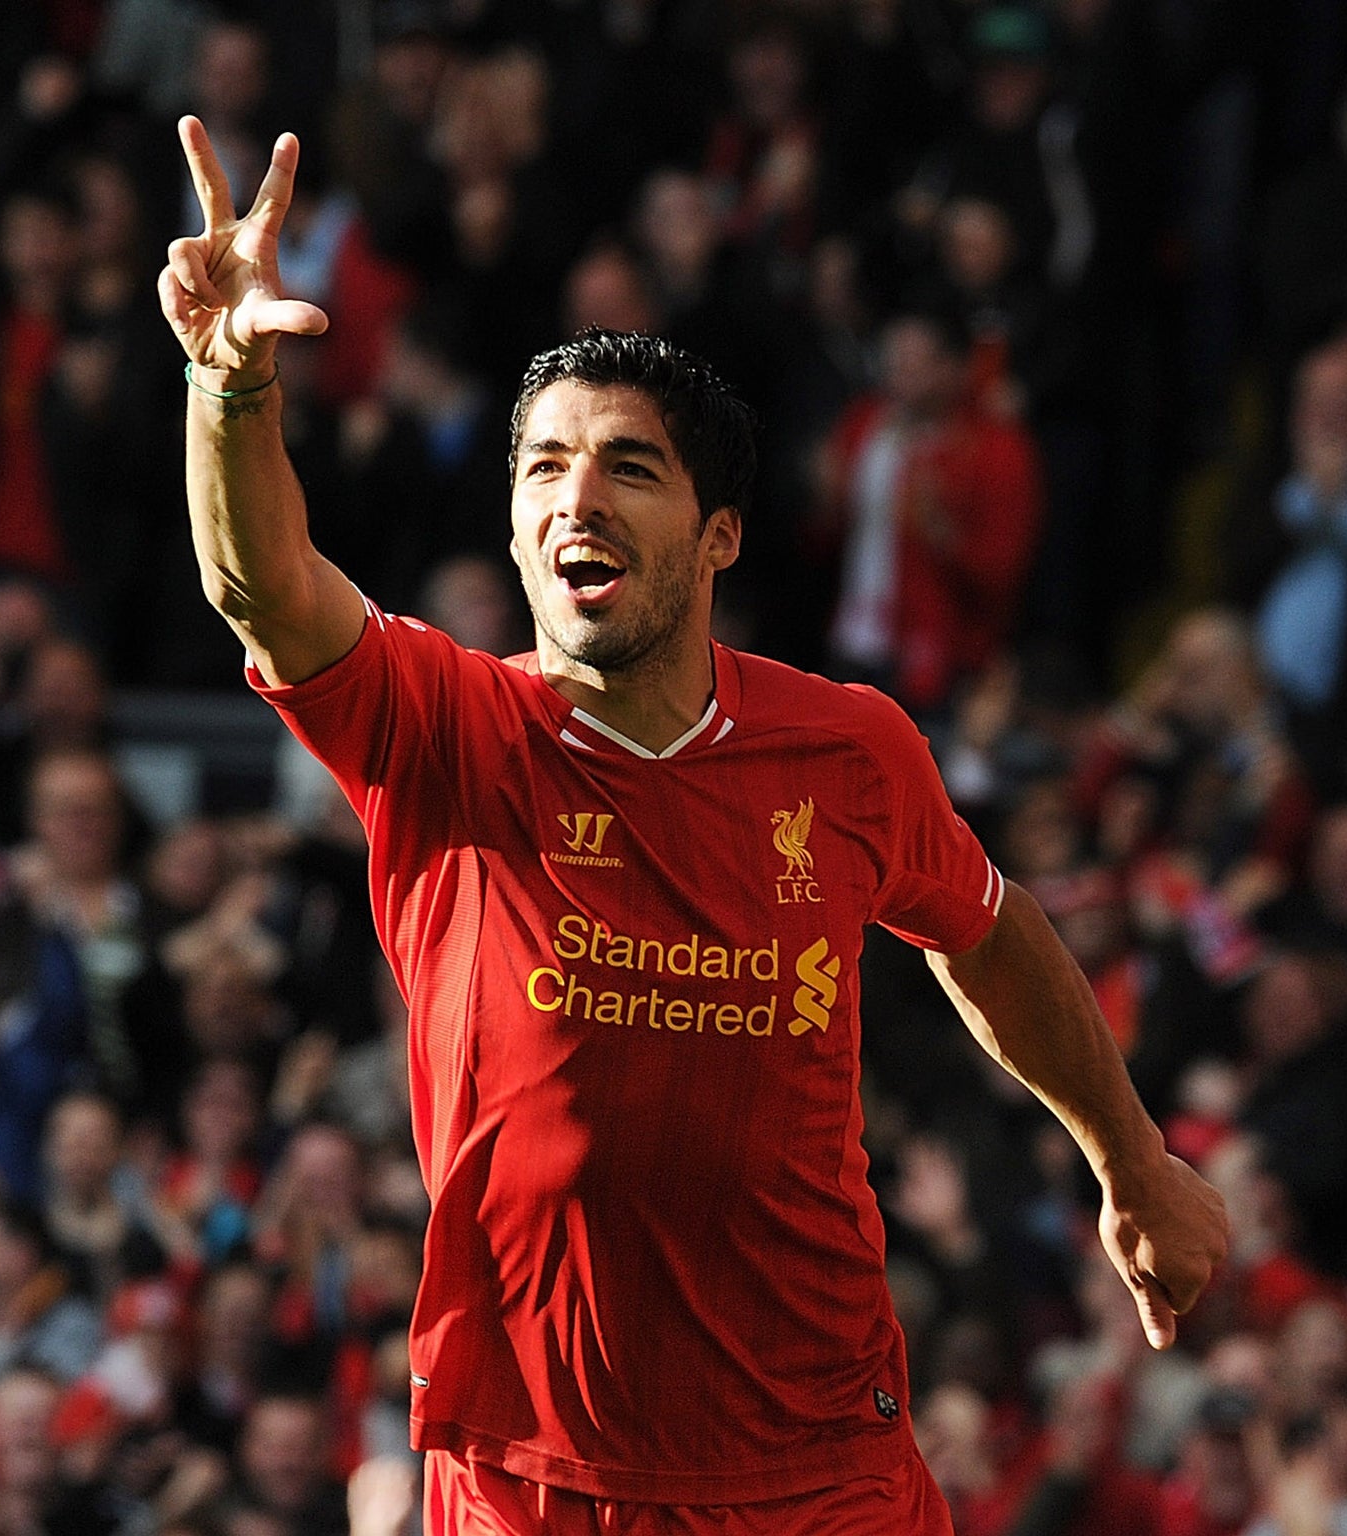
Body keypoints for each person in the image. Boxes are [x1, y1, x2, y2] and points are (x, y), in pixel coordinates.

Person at [152, 115, 1228, 1534]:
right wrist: (230, 390)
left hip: (820, 1473)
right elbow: (261, 588)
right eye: (542, 467)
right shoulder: (450, 727)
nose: (572, 498)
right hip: (534, 1478)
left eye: (627, 468)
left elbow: (987, 931)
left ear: (720, 536)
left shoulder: (845, 750)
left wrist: (1131, 1161)